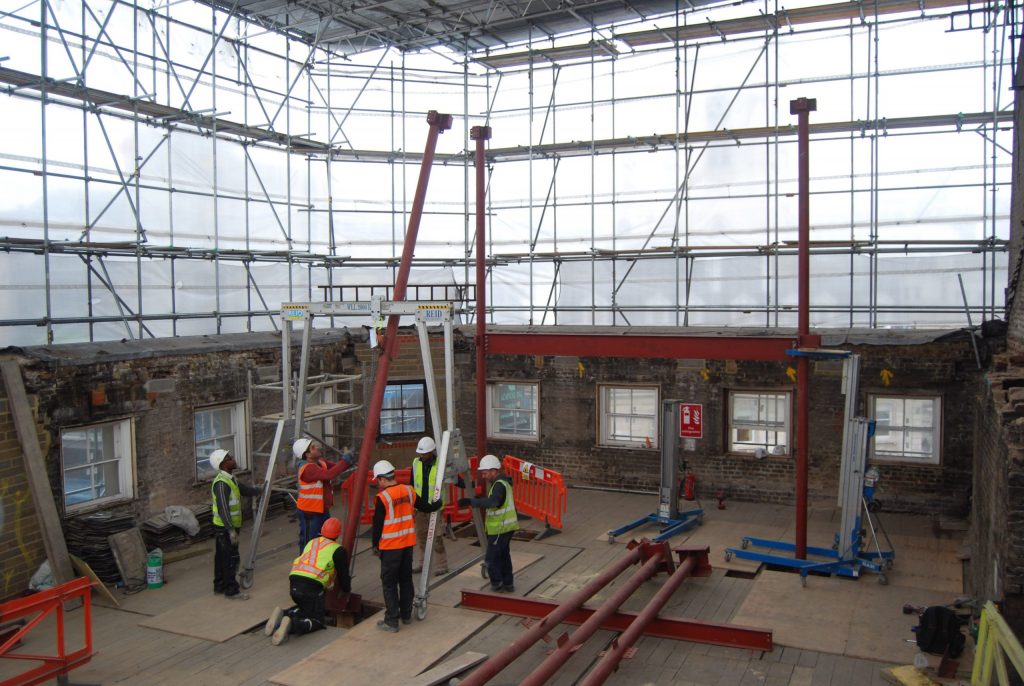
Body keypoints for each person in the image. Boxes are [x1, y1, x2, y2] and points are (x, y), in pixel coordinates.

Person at [371, 459, 442, 632]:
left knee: (388, 583)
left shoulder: (383, 498)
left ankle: (392, 621)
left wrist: (375, 545)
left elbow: (377, 525)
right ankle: (406, 615)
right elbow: (425, 507)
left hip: (390, 547)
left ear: (381, 478)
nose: (378, 484)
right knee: (405, 579)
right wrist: (438, 504)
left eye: (377, 481)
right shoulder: (409, 491)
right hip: (407, 544)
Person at [264, 516, 351, 646]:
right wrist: (346, 590)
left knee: (306, 608)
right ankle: (292, 626)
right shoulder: (338, 550)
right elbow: (343, 575)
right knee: (317, 619)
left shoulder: (312, 542)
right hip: (312, 588)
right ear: (338, 534)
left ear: (322, 530)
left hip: (294, 583)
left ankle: (283, 614)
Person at [458, 454, 518, 593]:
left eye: (485, 473)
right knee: (503, 555)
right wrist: (481, 499)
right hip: (506, 527)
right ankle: (508, 583)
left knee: (491, 558)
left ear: (494, 471)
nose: (483, 476)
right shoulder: (503, 483)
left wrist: (471, 502)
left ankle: (497, 585)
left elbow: (494, 502)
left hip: (500, 528)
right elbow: (495, 500)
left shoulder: (498, 485)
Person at [210, 448, 261, 600]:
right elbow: (223, 508)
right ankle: (231, 591)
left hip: (226, 527)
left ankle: (219, 586)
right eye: (229, 458)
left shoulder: (230, 479)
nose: (233, 459)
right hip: (225, 528)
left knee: (221, 557)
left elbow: (244, 490)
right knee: (230, 558)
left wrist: (260, 490)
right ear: (223, 464)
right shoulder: (221, 484)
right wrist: (231, 530)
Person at [294, 438, 353, 553]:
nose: (317, 447)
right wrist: (346, 460)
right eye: (312, 447)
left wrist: (348, 461)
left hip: (321, 510)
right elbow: (330, 474)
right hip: (310, 513)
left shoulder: (320, 462)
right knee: (309, 543)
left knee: (325, 540)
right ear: (307, 455)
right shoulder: (308, 469)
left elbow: (336, 468)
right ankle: (305, 565)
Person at [411, 435, 449, 576]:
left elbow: (452, 479)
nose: (421, 455)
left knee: (437, 538)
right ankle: (421, 563)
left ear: (431, 452)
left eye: (424, 453)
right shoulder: (416, 463)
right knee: (421, 536)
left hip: (435, 507)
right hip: (420, 508)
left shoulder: (440, 464)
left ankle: (441, 565)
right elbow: (412, 484)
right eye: (420, 453)